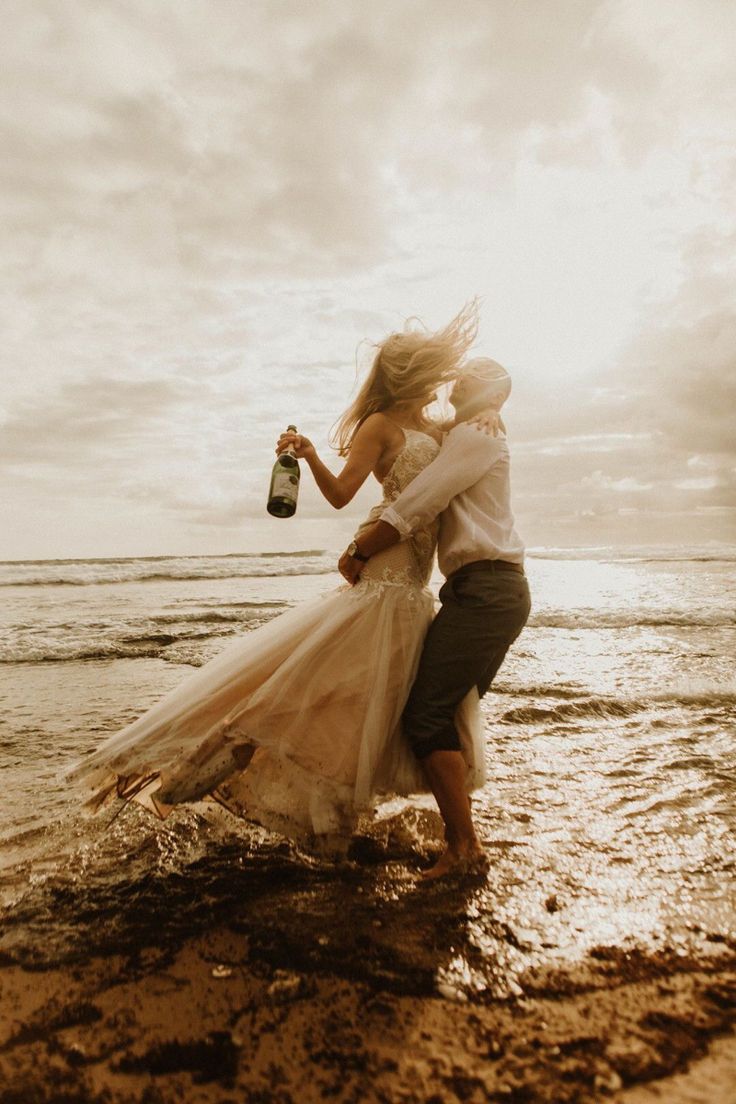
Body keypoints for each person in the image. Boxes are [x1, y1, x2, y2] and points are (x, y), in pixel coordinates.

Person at [65, 302, 490, 855]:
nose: (438, 379)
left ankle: (340, 821)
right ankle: (182, 776)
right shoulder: (380, 426)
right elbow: (341, 494)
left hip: (416, 585)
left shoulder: (435, 427)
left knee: (364, 706)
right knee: (305, 693)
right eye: (429, 369)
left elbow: (472, 438)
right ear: (411, 374)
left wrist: (492, 412)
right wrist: (310, 456)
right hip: (383, 577)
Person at [338, 358, 531, 878]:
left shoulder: (476, 433)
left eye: (480, 377)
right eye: (463, 373)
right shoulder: (466, 431)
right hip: (480, 590)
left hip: (488, 590)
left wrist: (360, 548)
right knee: (441, 710)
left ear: (495, 394)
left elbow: (421, 501)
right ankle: (463, 839)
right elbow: (432, 451)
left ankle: (465, 847)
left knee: (427, 714)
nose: (461, 378)